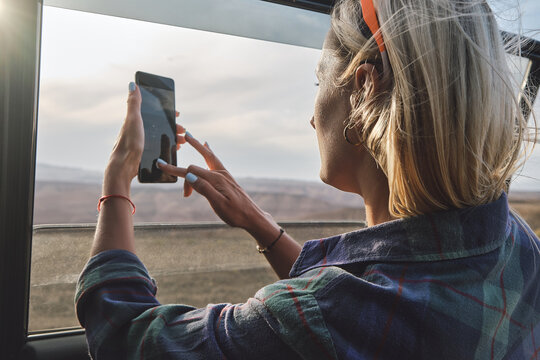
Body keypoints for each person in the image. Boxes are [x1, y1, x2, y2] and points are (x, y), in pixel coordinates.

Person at [75, 0, 540, 358]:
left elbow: (125, 337)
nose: (312, 119)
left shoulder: (319, 316)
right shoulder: (516, 244)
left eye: (319, 84)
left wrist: (117, 180)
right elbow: (374, 296)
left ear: (363, 88)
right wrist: (262, 226)